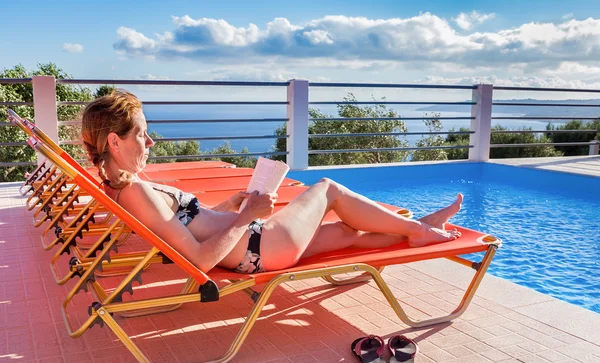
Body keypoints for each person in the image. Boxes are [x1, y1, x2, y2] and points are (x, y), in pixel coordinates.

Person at [81, 89, 462, 274]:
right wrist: (247, 217)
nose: (150, 142)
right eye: (142, 135)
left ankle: (420, 228)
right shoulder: (134, 191)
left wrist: (228, 208)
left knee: (348, 234)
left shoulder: (119, 186)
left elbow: (188, 229)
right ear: (115, 141)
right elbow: (197, 260)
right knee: (328, 188)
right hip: (263, 243)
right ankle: (419, 227)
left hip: (258, 244)